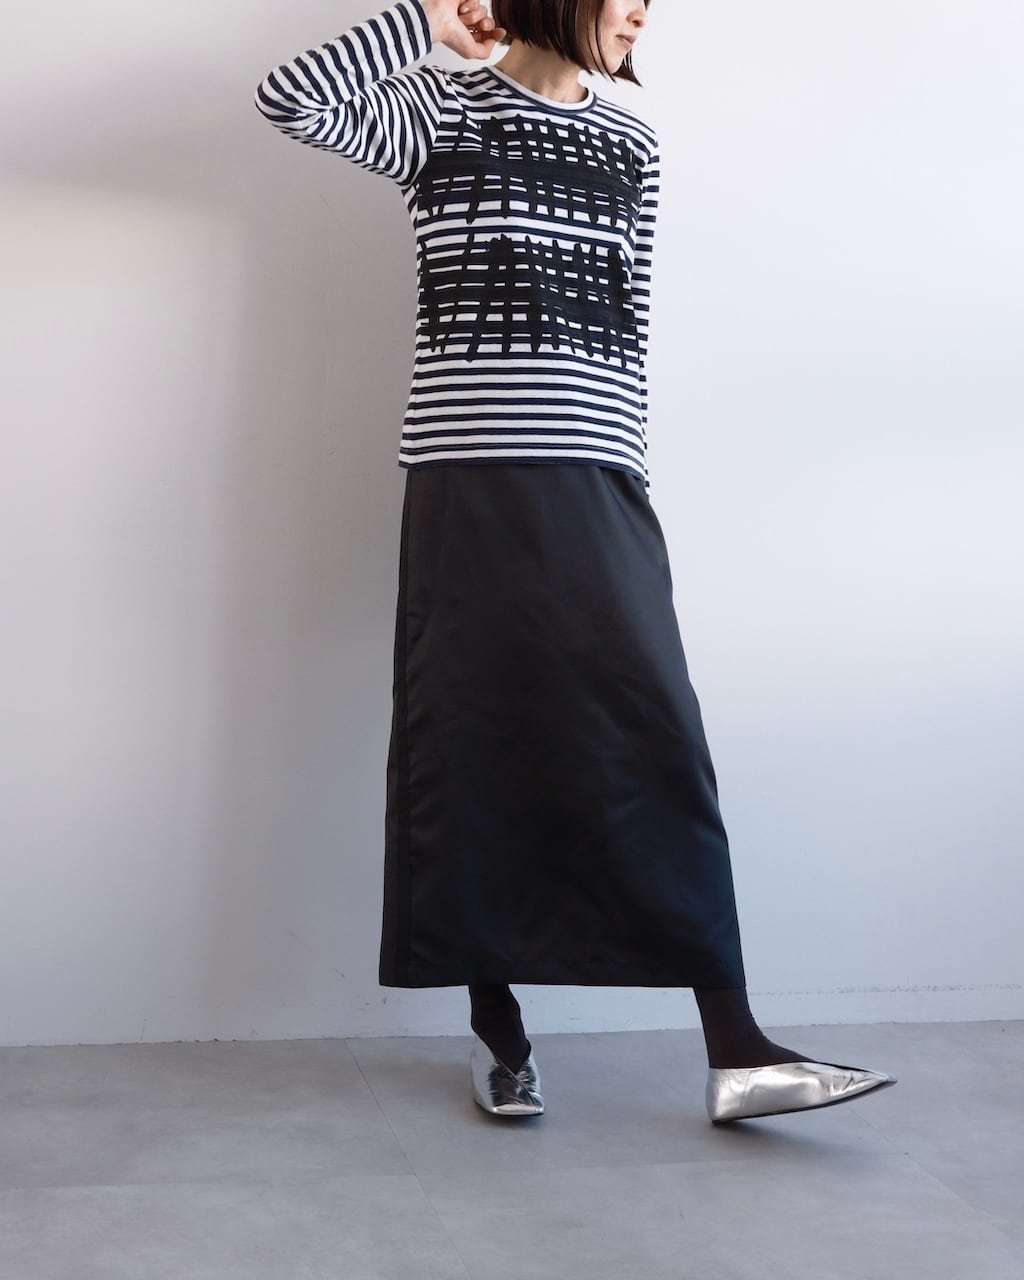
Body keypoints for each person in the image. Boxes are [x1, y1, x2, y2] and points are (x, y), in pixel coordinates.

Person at [254, 0, 897, 1122]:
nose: (644, 10)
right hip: (468, 474)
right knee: (470, 738)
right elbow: (289, 99)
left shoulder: (629, 139)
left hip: (598, 472)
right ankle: (498, 1034)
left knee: (659, 737)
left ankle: (737, 1048)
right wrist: (428, 21)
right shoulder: (439, 112)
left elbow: (627, 314)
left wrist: (625, 462)